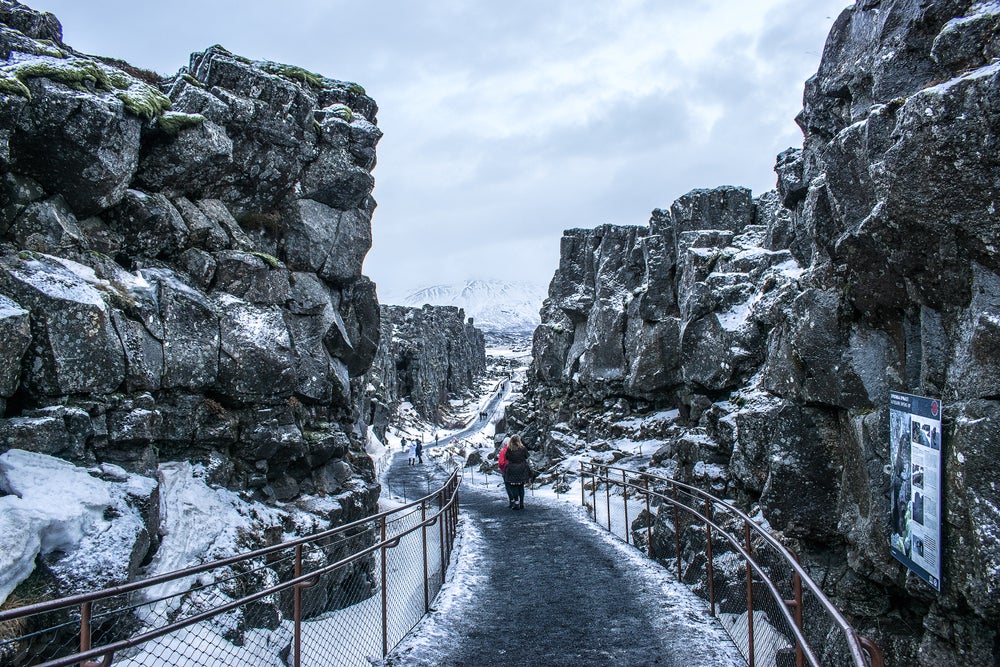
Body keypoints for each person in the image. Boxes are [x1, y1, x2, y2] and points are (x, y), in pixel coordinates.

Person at [502, 435, 531, 510]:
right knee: (521, 486)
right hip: (522, 468)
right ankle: (521, 503)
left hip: (512, 469)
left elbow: (506, 457)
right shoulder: (523, 448)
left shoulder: (509, 449)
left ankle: (516, 503)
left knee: (513, 487)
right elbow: (527, 456)